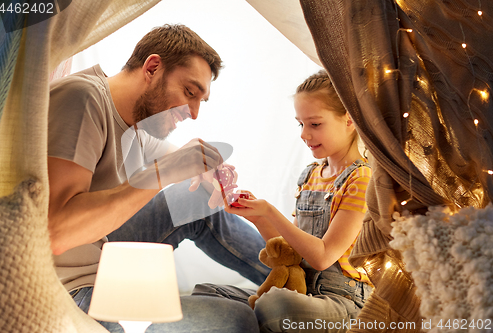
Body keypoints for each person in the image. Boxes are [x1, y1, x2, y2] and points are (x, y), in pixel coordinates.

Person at [48, 24, 269, 332]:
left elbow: (185, 161)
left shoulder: (136, 126)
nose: (193, 113)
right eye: (189, 93)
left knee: (197, 198)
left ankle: (300, 278)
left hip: (104, 260)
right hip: (65, 285)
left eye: (200, 101)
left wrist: (208, 168)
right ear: (152, 67)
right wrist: (164, 172)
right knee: (237, 319)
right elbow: (56, 233)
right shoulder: (82, 99)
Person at [196, 70, 373, 332]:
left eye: (314, 124)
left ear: (348, 119)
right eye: (300, 124)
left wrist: (270, 211)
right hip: (299, 289)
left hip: (342, 301)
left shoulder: (362, 178)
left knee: (276, 306)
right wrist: (257, 217)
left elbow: (322, 258)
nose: (303, 134)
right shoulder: (310, 174)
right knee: (206, 293)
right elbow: (291, 254)